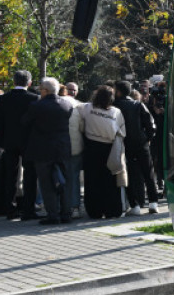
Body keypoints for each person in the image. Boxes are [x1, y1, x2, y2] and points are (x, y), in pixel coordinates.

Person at [21, 78, 75, 225]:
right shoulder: (67, 104)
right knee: (65, 182)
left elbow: (25, 122)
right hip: (63, 147)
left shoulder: (37, 106)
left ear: (45, 90)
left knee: (46, 183)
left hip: (43, 149)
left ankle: (53, 215)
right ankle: (66, 213)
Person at [0, 70, 40, 220]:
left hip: (9, 141)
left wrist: (2, 140)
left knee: (11, 175)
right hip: (29, 141)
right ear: (29, 82)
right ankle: (28, 209)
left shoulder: (2, 99)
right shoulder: (34, 98)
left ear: (13, 82)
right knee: (30, 175)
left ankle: (10, 208)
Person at [79, 85, 126, 219]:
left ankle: (94, 211)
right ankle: (112, 210)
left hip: (91, 148)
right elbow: (121, 131)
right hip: (109, 149)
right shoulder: (116, 112)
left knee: (92, 181)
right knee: (110, 182)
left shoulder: (87, 108)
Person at [114, 80, 158, 215]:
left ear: (119, 91)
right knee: (148, 173)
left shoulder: (115, 106)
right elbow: (151, 124)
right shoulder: (138, 105)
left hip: (125, 144)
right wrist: (148, 138)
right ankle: (153, 203)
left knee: (130, 174)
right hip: (141, 142)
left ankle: (135, 205)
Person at [62, 82, 85, 217]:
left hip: (59, 147)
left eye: (74, 90)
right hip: (75, 147)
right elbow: (82, 128)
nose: (72, 91)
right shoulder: (80, 107)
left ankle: (62, 206)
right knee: (74, 177)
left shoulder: (56, 104)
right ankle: (75, 207)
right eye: (70, 89)